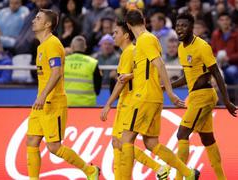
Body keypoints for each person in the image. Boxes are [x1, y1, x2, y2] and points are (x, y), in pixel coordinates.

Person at [119, 9, 199, 180]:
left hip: (143, 96)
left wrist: (170, 92)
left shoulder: (145, 40)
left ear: (128, 25)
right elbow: (147, 69)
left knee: (124, 139)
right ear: (145, 20)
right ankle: (188, 173)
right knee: (151, 143)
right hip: (153, 96)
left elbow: (160, 65)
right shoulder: (148, 39)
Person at [26, 9, 99, 180]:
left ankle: (89, 170)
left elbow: (56, 72)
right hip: (41, 104)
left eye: (38, 18)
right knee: (31, 141)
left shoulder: (52, 44)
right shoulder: (41, 46)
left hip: (53, 102)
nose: (33, 20)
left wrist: (43, 96)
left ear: (47, 24)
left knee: (54, 147)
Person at [100, 20, 171, 180]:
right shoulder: (132, 51)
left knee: (122, 142)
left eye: (116, 32)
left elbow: (122, 81)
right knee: (117, 142)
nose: (113, 36)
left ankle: (158, 167)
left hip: (130, 102)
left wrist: (108, 103)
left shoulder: (129, 51)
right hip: (128, 101)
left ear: (126, 35)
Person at [172, 12, 238, 180]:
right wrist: (166, 86)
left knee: (182, 134)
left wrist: (227, 100)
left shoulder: (202, 46)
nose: (180, 28)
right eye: (178, 25)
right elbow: (188, 76)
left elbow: (216, 73)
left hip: (204, 96)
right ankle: (221, 178)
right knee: (207, 138)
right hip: (195, 96)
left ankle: (180, 177)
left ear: (191, 28)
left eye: (184, 25)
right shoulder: (181, 48)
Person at [64, 35, 102, 107]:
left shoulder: (64, 61)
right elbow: (97, 90)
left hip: (67, 105)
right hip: (87, 106)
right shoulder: (93, 63)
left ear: (72, 47)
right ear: (85, 47)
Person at [211, 12, 238, 85]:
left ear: (230, 21)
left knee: (230, 72)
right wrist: (217, 56)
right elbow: (211, 51)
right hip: (219, 64)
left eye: (227, 20)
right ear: (218, 22)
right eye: (222, 20)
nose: (224, 22)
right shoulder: (215, 34)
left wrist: (229, 58)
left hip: (235, 65)